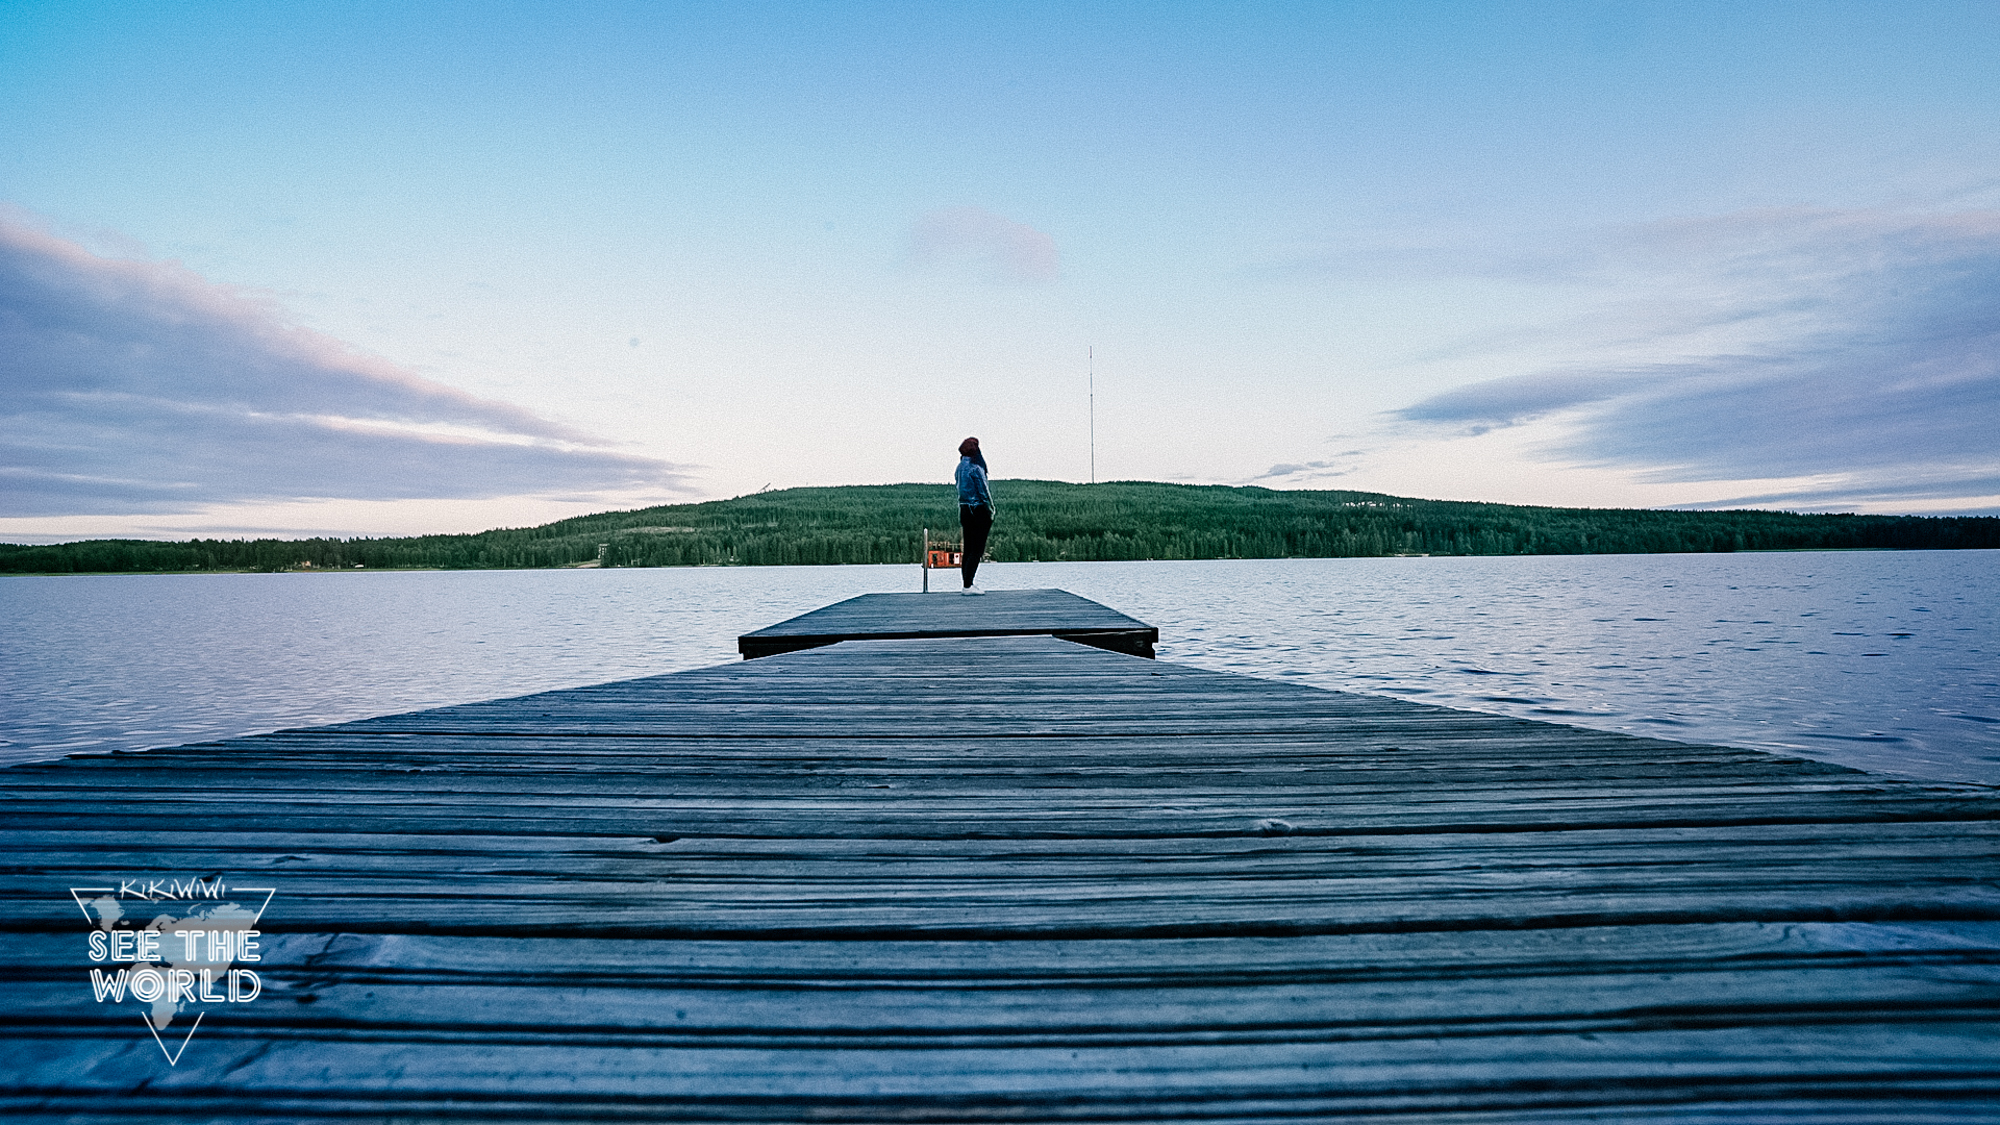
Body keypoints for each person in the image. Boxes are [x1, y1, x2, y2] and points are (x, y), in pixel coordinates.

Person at [955, 437, 993, 593]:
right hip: (978, 510)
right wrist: (991, 509)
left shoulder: (959, 468)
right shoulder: (976, 468)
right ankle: (968, 585)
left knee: (968, 548)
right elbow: (984, 492)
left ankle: (966, 583)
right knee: (977, 549)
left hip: (964, 509)